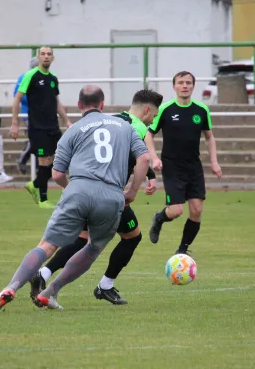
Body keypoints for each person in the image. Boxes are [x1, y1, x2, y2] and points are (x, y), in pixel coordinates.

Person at [0, 85, 150, 312]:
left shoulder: (72, 130)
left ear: (80, 106)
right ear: (102, 104)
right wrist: (132, 192)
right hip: (112, 196)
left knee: (47, 245)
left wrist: (73, 189)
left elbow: (57, 174)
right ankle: (50, 292)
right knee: (92, 248)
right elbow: (144, 159)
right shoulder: (125, 126)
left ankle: (11, 287)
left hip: (78, 189)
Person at [30, 89, 164, 305]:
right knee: (132, 237)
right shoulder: (137, 127)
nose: (154, 120)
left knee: (81, 238)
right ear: (147, 110)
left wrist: (150, 176)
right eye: (154, 115)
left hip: (84, 189)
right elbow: (139, 156)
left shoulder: (113, 119)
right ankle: (105, 285)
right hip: (109, 194)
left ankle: (43, 273)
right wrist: (136, 188)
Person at [146, 71, 222, 255]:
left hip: (194, 167)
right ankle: (159, 218)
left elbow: (209, 137)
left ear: (193, 86)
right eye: (181, 82)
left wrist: (214, 162)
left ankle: (182, 250)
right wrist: (154, 158)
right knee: (176, 210)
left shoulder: (202, 110)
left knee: (196, 210)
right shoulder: (165, 109)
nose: (185, 85)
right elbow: (149, 134)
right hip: (172, 167)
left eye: (188, 82)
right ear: (174, 86)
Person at [10, 46, 72, 208]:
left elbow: (57, 102)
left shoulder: (53, 79)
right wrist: (15, 123)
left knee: (59, 158)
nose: (46, 57)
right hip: (37, 127)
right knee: (44, 160)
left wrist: (66, 120)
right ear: (38, 58)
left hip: (53, 126)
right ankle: (43, 199)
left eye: (49, 54)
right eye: (43, 54)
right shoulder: (30, 76)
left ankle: (35, 184)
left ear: (53, 58)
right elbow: (17, 99)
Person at [15, 57, 39, 175]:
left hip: (42, 113)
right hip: (29, 113)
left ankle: (37, 166)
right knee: (35, 138)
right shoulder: (24, 77)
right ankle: (23, 159)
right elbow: (17, 94)